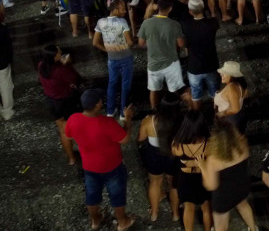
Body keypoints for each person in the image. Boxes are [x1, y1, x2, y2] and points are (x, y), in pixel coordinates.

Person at [64, 89, 136, 231]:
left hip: (89, 167)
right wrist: (128, 119)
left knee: (92, 194)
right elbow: (125, 139)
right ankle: (122, 222)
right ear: (97, 105)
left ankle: (95, 220)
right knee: (116, 195)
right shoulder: (107, 123)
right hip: (112, 166)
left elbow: (69, 136)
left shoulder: (73, 119)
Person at [198, 118, 258, 231]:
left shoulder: (213, 159)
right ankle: (253, 228)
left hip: (223, 197)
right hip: (241, 188)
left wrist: (202, 167)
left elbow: (211, 185)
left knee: (221, 227)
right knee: (243, 205)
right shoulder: (242, 145)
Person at [137, 94, 183, 223]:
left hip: (154, 154)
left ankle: (154, 213)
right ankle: (175, 214)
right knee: (173, 185)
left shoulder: (149, 121)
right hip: (173, 154)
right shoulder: (181, 121)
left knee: (155, 182)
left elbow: (140, 139)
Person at [138, 0, 187, 109]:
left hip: (153, 63)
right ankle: (175, 109)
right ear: (170, 8)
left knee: (154, 90)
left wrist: (151, 46)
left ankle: (154, 111)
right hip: (172, 63)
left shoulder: (147, 23)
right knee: (174, 89)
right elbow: (180, 44)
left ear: (157, 7)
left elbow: (141, 43)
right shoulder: (174, 24)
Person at [37, 44, 81, 165]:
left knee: (63, 130)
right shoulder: (60, 70)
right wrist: (67, 64)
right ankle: (86, 150)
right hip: (66, 101)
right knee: (76, 127)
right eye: (59, 53)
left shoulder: (41, 66)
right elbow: (75, 79)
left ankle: (71, 159)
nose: (61, 54)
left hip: (52, 102)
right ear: (54, 57)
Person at [171, 108, 213, 231]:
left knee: (188, 207)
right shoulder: (208, 143)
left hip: (185, 178)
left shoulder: (178, 144)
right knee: (206, 207)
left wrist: (187, 162)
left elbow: (176, 154)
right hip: (203, 177)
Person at [92, 0, 134, 119]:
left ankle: (110, 112)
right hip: (125, 57)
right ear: (115, 10)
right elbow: (129, 42)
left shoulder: (101, 22)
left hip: (112, 59)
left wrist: (108, 50)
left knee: (112, 84)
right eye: (122, 9)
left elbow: (95, 43)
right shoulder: (122, 22)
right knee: (125, 85)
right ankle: (123, 113)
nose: (125, 11)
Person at [182, 0, 221, 107]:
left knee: (196, 94)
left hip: (194, 67)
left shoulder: (186, 25)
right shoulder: (213, 23)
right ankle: (217, 116)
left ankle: (196, 117)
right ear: (203, 9)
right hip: (211, 65)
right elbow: (214, 19)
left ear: (190, 11)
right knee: (215, 94)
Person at [215, 61, 248, 131]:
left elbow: (235, 109)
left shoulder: (231, 88)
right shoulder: (238, 84)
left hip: (230, 121)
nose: (221, 74)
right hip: (235, 119)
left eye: (225, 73)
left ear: (232, 75)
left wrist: (222, 113)